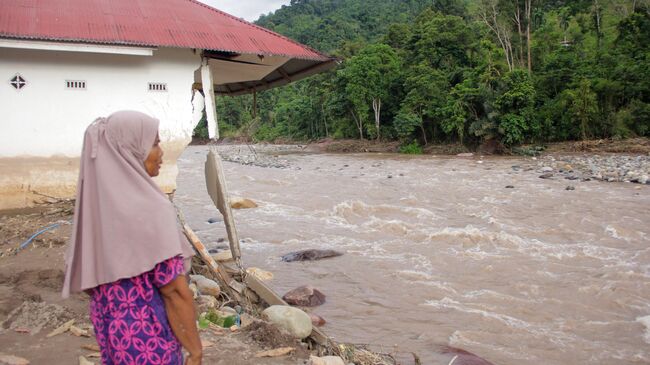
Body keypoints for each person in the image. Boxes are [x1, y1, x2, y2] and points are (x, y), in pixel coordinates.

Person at [62, 111, 202, 365]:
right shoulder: (152, 209)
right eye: (155, 143)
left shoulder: (97, 210)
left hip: (111, 334)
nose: (161, 153)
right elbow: (174, 290)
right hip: (149, 339)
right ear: (130, 150)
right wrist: (195, 350)